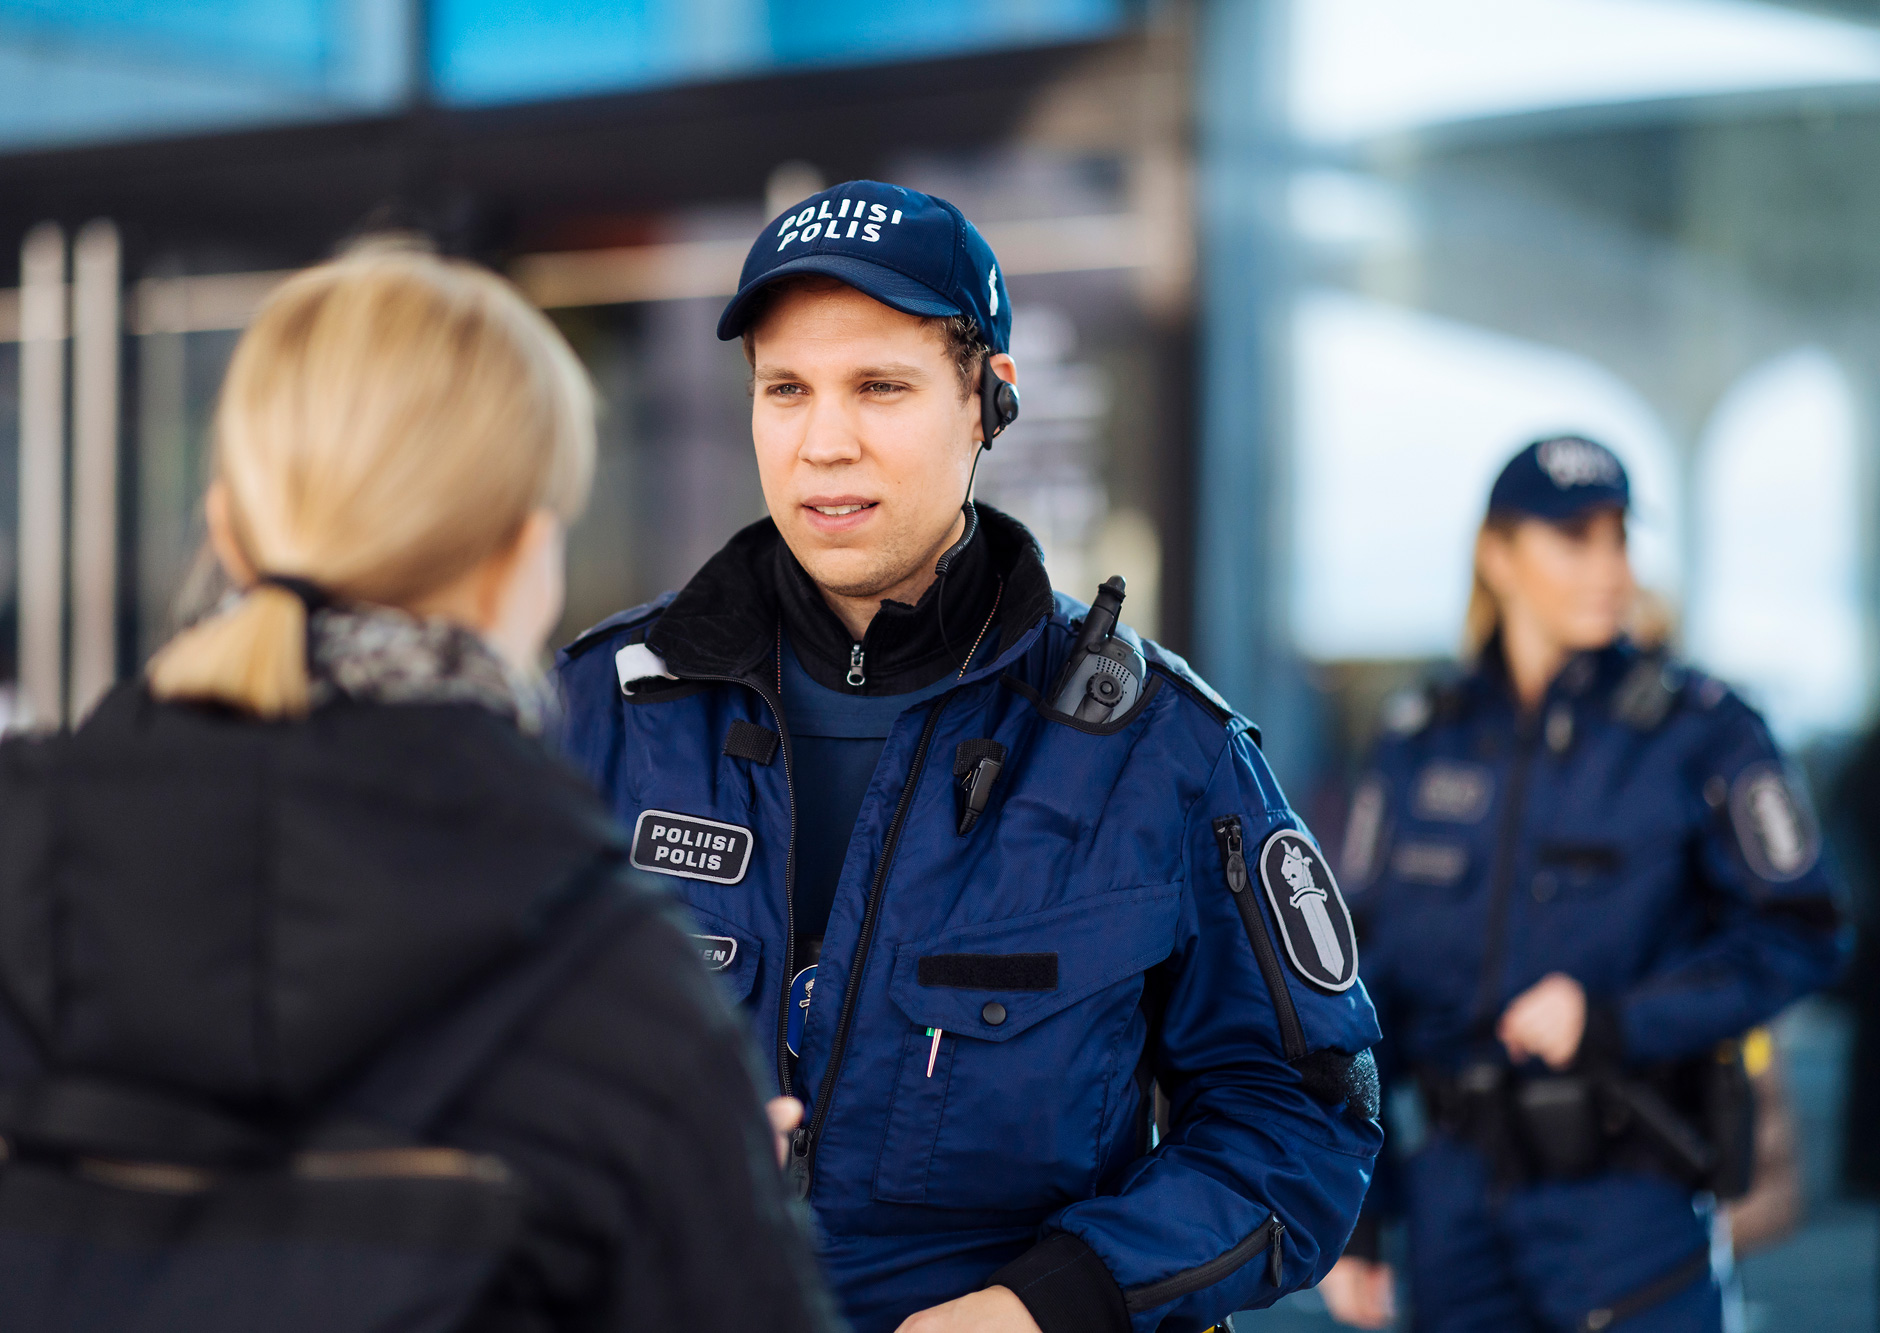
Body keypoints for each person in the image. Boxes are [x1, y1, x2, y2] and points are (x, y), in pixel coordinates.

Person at [0, 249, 837, 1333]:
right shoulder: (615, 977)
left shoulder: (3, 893)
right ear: (523, 553)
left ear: (228, 527)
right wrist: (703, 1178)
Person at [554, 180, 1383, 1333]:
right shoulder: (597, 708)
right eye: (783, 390)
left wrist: (1051, 1302)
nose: (822, 441)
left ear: (989, 403)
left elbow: (1301, 1118)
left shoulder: (1159, 750)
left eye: (878, 388)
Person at [1318, 437, 1844, 1332]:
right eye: (1575, 539)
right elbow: (1354, 986)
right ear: (1499, 556)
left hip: (1629, 1198)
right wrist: (1356, 1215)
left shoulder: (1702, 731)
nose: (1611, 567)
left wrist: (1613, 1018)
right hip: (1452, 1211)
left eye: (1619, 536)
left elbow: (1804, 934)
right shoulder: (1421, 737)